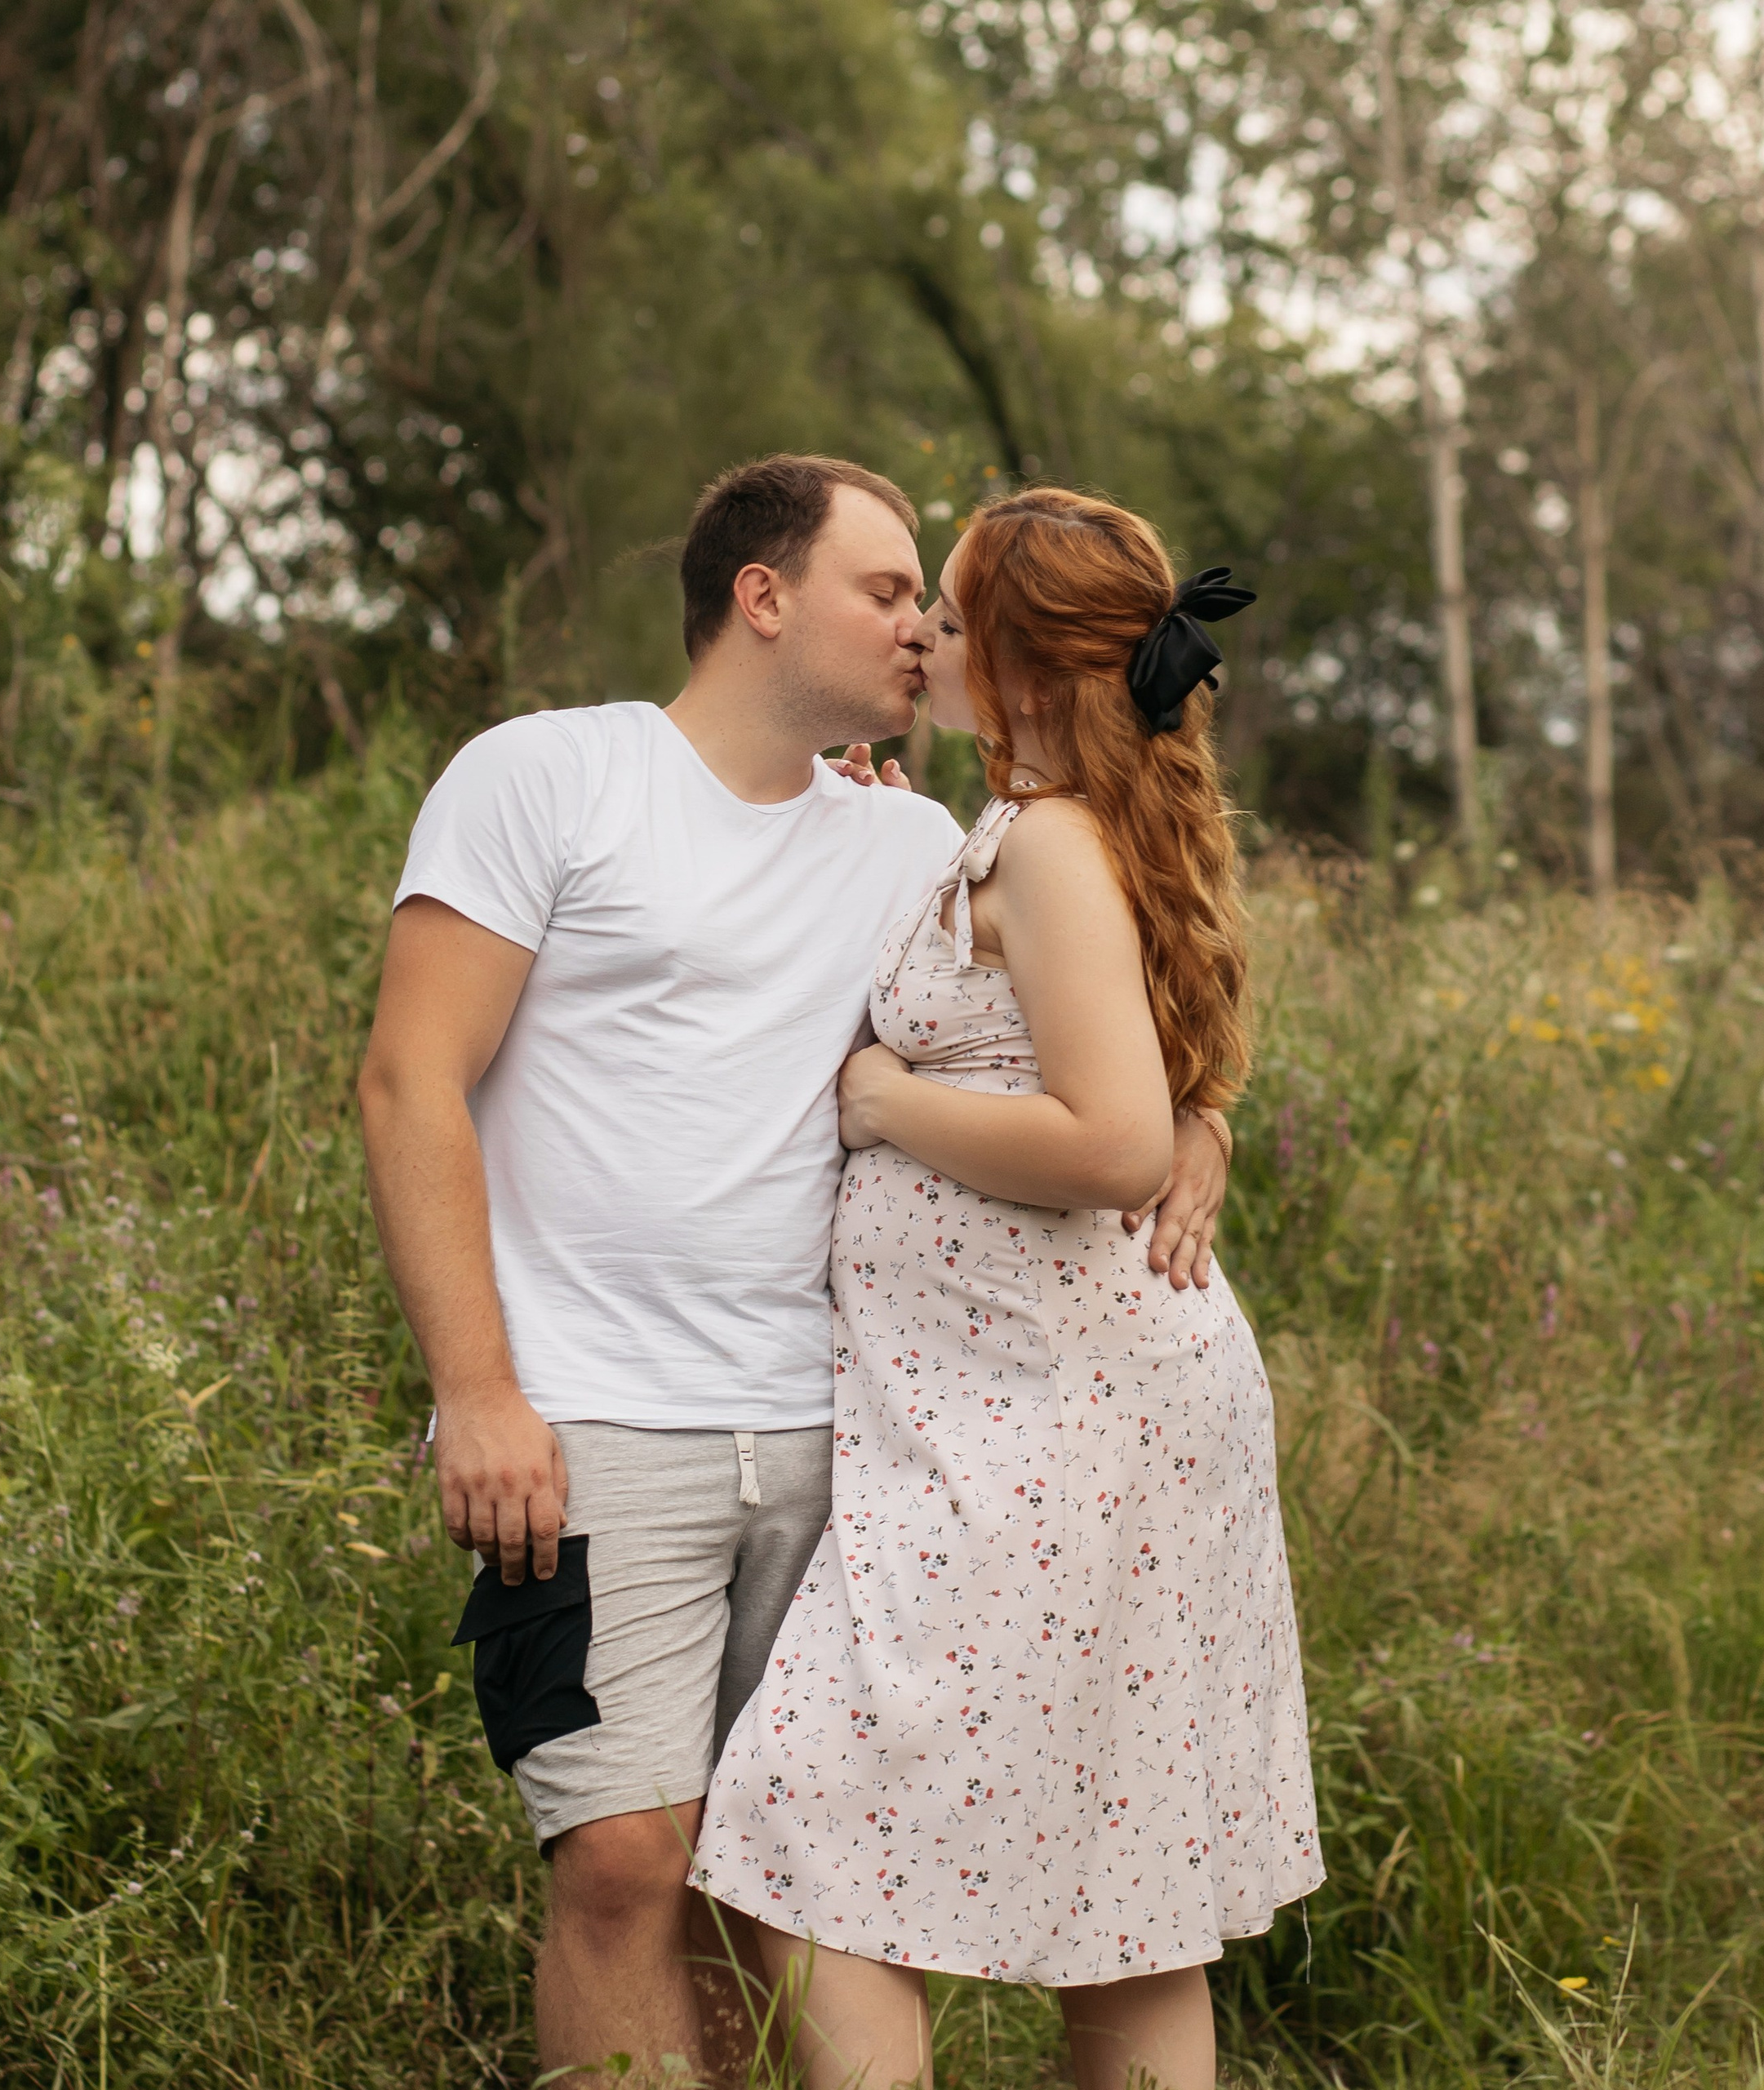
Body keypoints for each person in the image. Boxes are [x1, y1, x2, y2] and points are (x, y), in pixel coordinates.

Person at [357, 456, 1234, 2088]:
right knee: (622, 1854)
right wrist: (475, 1390)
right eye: (889, 590)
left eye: (935, 602)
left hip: (860, 1439)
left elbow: (1088, 988)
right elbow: (410, 1079)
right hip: (595, 1417)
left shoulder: (909, 839)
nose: (920, 626)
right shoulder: (546, 777)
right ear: (762, 596)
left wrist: (1198, 1120)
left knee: (781, 1881)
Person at [694, 487, 1324, 2090]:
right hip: (1046, 1408)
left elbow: (1111, 1134)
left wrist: (885, 1104)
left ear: (1030, 668)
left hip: (1050, 1427)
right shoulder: (1046, 824)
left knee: (804, 1810)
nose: (922, 634)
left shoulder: (1046, 843)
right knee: (1122, 1891)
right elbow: (1128, 1071)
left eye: (952, 617)